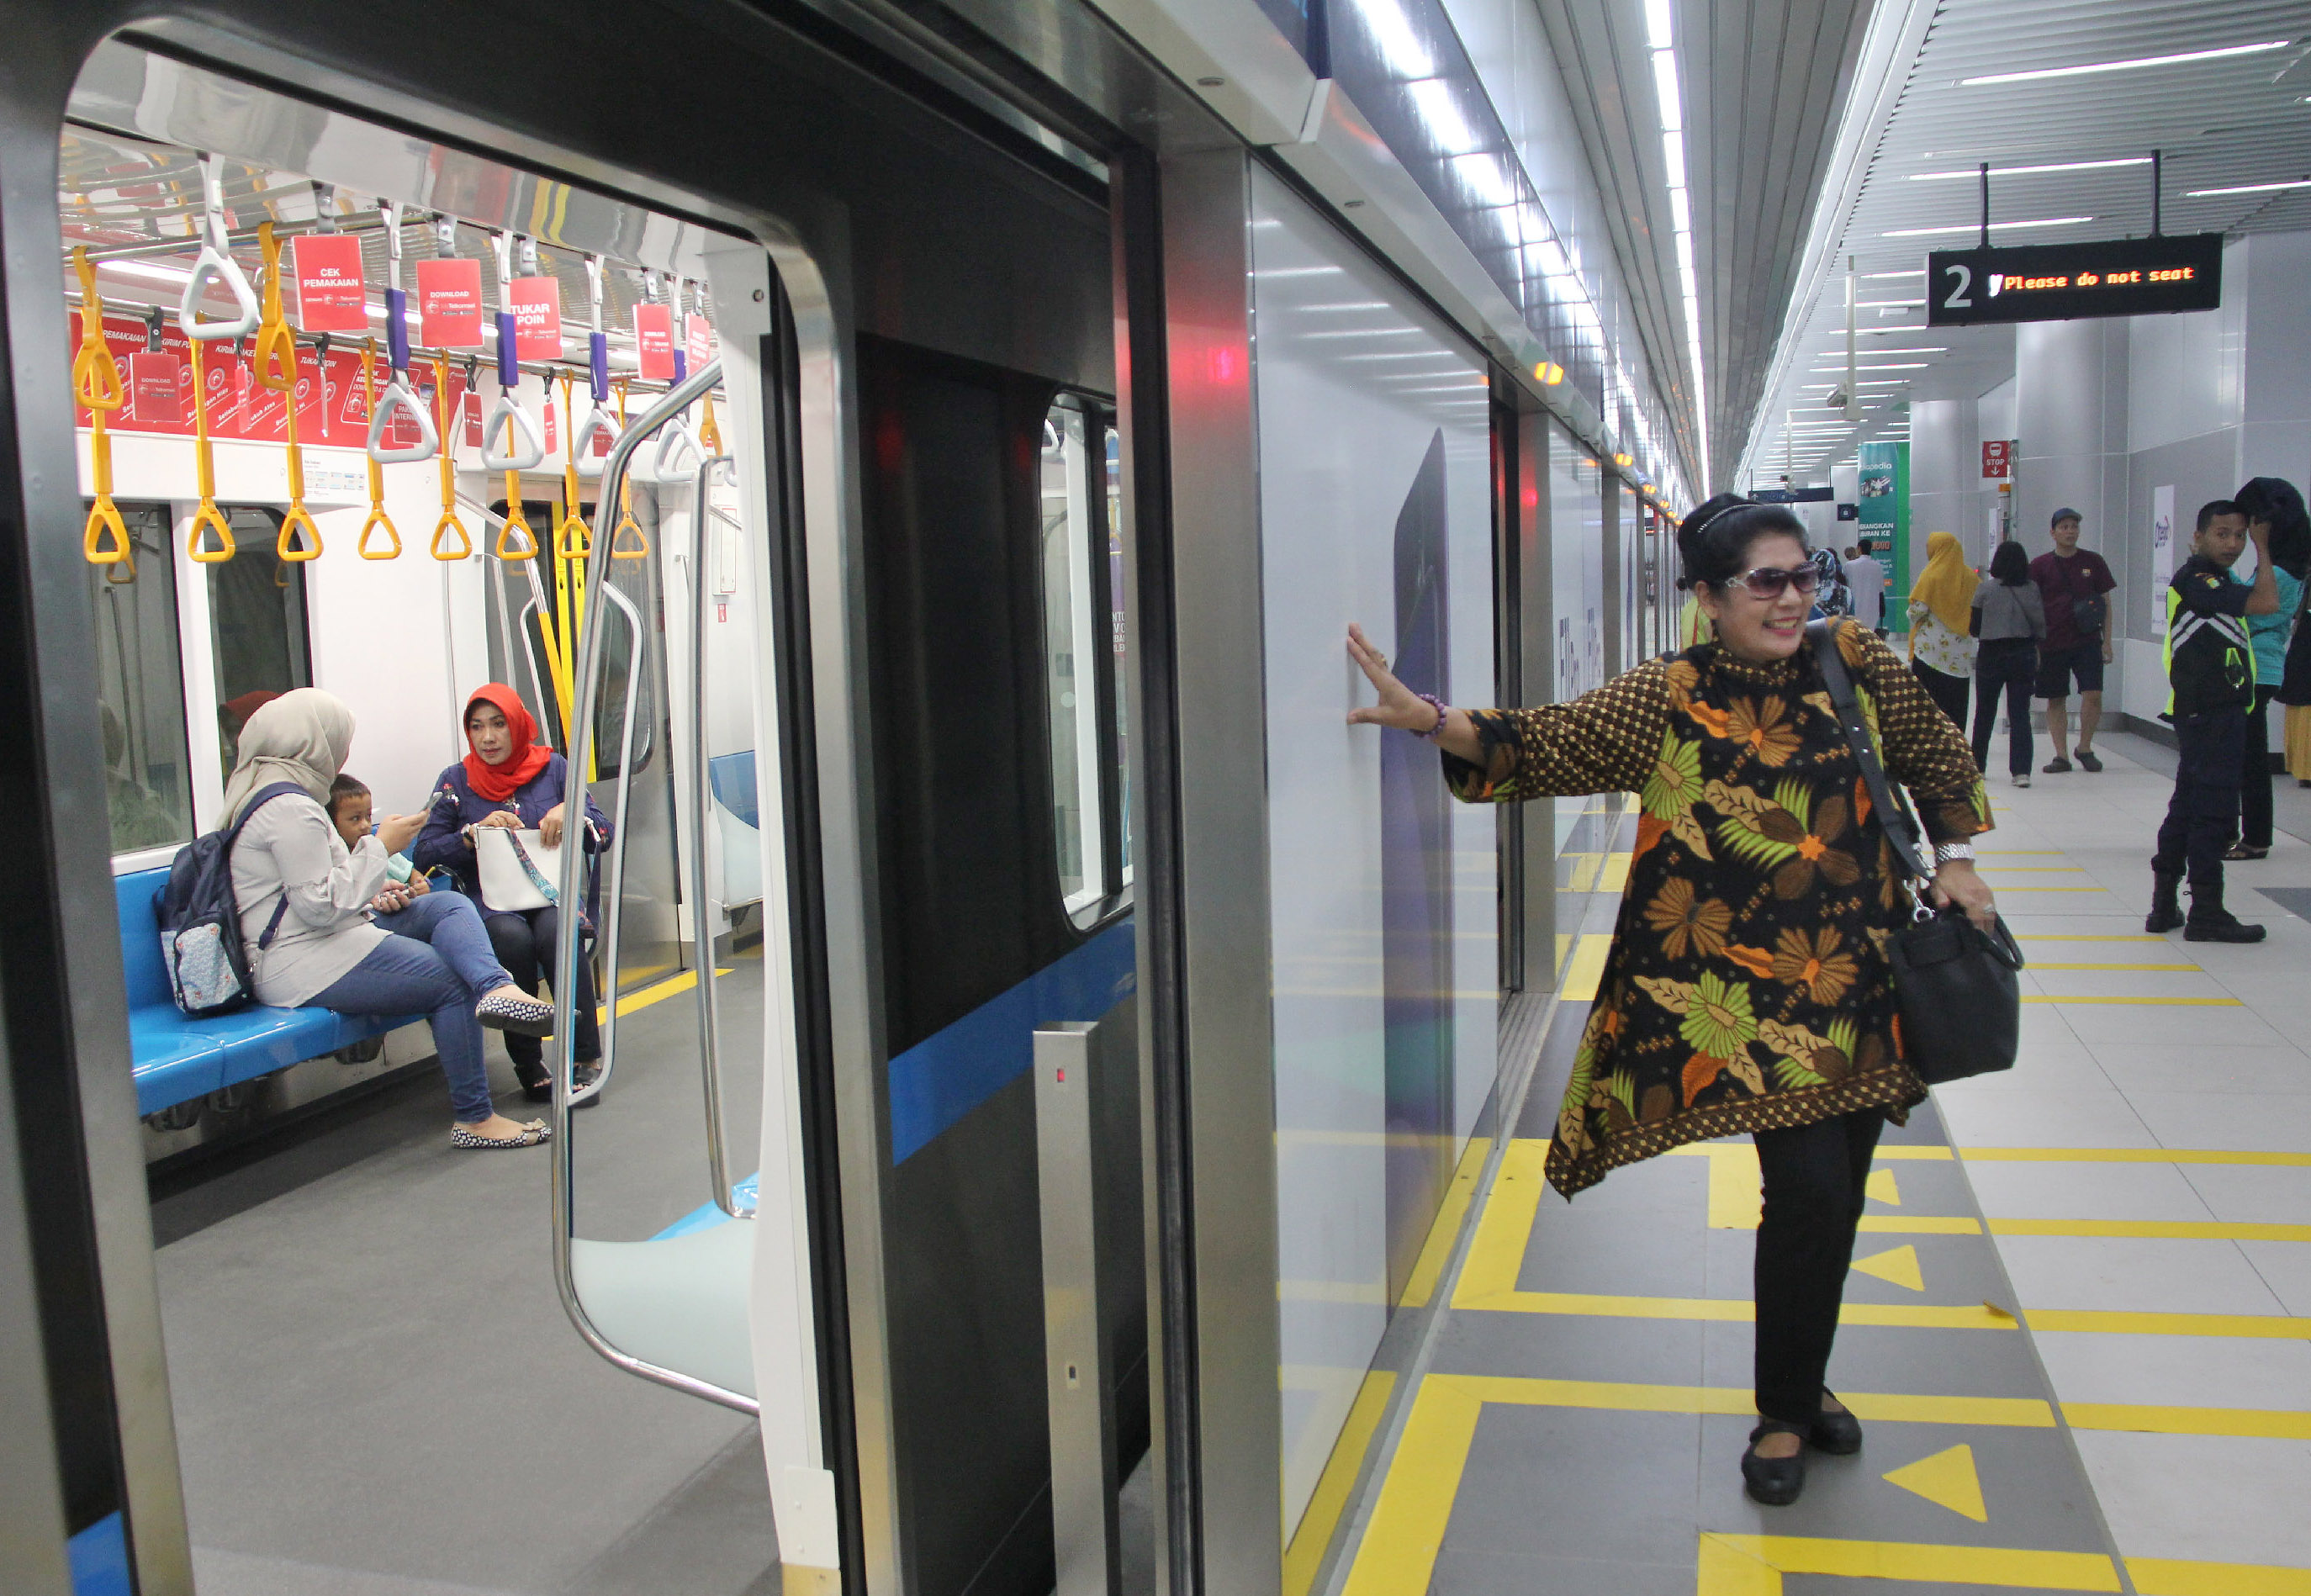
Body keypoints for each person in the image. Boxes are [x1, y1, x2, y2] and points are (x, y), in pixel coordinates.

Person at [1346, 494, 1994, 1507]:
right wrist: (1430, 716)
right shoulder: (1672, 692)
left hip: (1862, 981)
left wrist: (1955, 858)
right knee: (1810, 1193)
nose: (1791, 599)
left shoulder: (1854, 659)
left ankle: (1801, 1375)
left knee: (1837, 1196)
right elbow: (1550, 741)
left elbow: (1938, 756)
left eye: (1802, 576)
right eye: (1765, 582)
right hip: (1746, 998)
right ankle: (1785, 1411)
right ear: (1708, 597)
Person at [223, 690, 558, 1149]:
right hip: (301, 960)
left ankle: (497, 988)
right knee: (450, 983)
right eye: (339, 742)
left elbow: (310, 892)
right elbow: (319, 905)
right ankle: (475, 1119)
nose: (342, 754)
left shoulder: (274, 794)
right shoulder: (289, 809)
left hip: (326, 934)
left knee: (447, 905)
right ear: (314, 743)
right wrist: (382, 847)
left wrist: (375, 891)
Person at [413, 684, 613, 1104]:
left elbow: (603, 833)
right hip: (490, 900)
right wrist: (471, 834)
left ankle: (584, 1057)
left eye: (498, 725)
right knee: (510, 938)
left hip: (549, 894)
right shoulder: (455, 781)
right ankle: (529, 1063)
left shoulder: (554, 769)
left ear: (518, 725)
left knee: (558, 933)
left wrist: (571, 811)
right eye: (477, 727)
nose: (487, 738)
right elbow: (426, 852)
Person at [2146, 501, 2280, 943]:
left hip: (2210, 711)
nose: (2233, 544)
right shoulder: (2199, 580)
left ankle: (2164, 904)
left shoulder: (2215, 580)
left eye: (2240, 535)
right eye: (2223, 534)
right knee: (2214, 813)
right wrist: (2263, 547)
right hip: (2212, 714)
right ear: (2199, 536)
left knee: (2187, 808)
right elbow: (2268, 602)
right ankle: (2206, 910)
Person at [2229, 478, 2308, 859]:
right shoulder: (2283, 567)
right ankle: (2249, 834)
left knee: (2252, 760)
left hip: (2258, 669)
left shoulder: (2283, 573)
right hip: (2257, 668)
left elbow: (2247, 605)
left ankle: (2256, 838)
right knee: (2248, 757)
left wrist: (2256, 549)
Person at [2029, 509, 2117, 774]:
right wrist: (2033, 644)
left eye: (2074, 527)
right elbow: (2032, 606)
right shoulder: (2040, 566)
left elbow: (2105, 602)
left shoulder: (2093, 562)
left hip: (2087, 639)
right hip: (2052, 641)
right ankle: (2061, 755)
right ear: (2053, 532)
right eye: (2064, 527)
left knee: (2093, 694)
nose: (2070, 531)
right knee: (2056, 698)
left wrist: (2107, 641)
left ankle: (2085, 747)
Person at [1970, 542, 2046, 787]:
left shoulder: (1984, 589)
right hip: (2022, 653)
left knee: (1985, 712)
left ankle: (1978, 766)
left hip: (1991, 653)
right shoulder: (2032, 589)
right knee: (2020, 713)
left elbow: (1974, 628)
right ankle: (2021, 772)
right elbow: (2040, 623)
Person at [1905, 531, 1975, 728]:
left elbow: (1916, 612)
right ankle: (1955, 742)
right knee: (1956, 709)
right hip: (1960, 657)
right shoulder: (1971, 578)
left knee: (1927, 710)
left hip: (1929, 654)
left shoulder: (1931, 575)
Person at [330, 774, 431, 892]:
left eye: (368, 816)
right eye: (355, 818)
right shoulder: (336, 863)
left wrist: (419, 883)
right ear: (331, 823)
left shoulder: (379, 846)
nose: (365, 825)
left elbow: (411, 873)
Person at [1843, 545, 1885, 632]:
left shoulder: (1849, 566)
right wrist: (1882, 610)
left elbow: (1845, 587)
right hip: (1872, 609)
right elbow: (1880, 591)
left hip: (1854, 608)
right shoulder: (1877, 566)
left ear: (1859, 549)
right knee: (1869, 633)